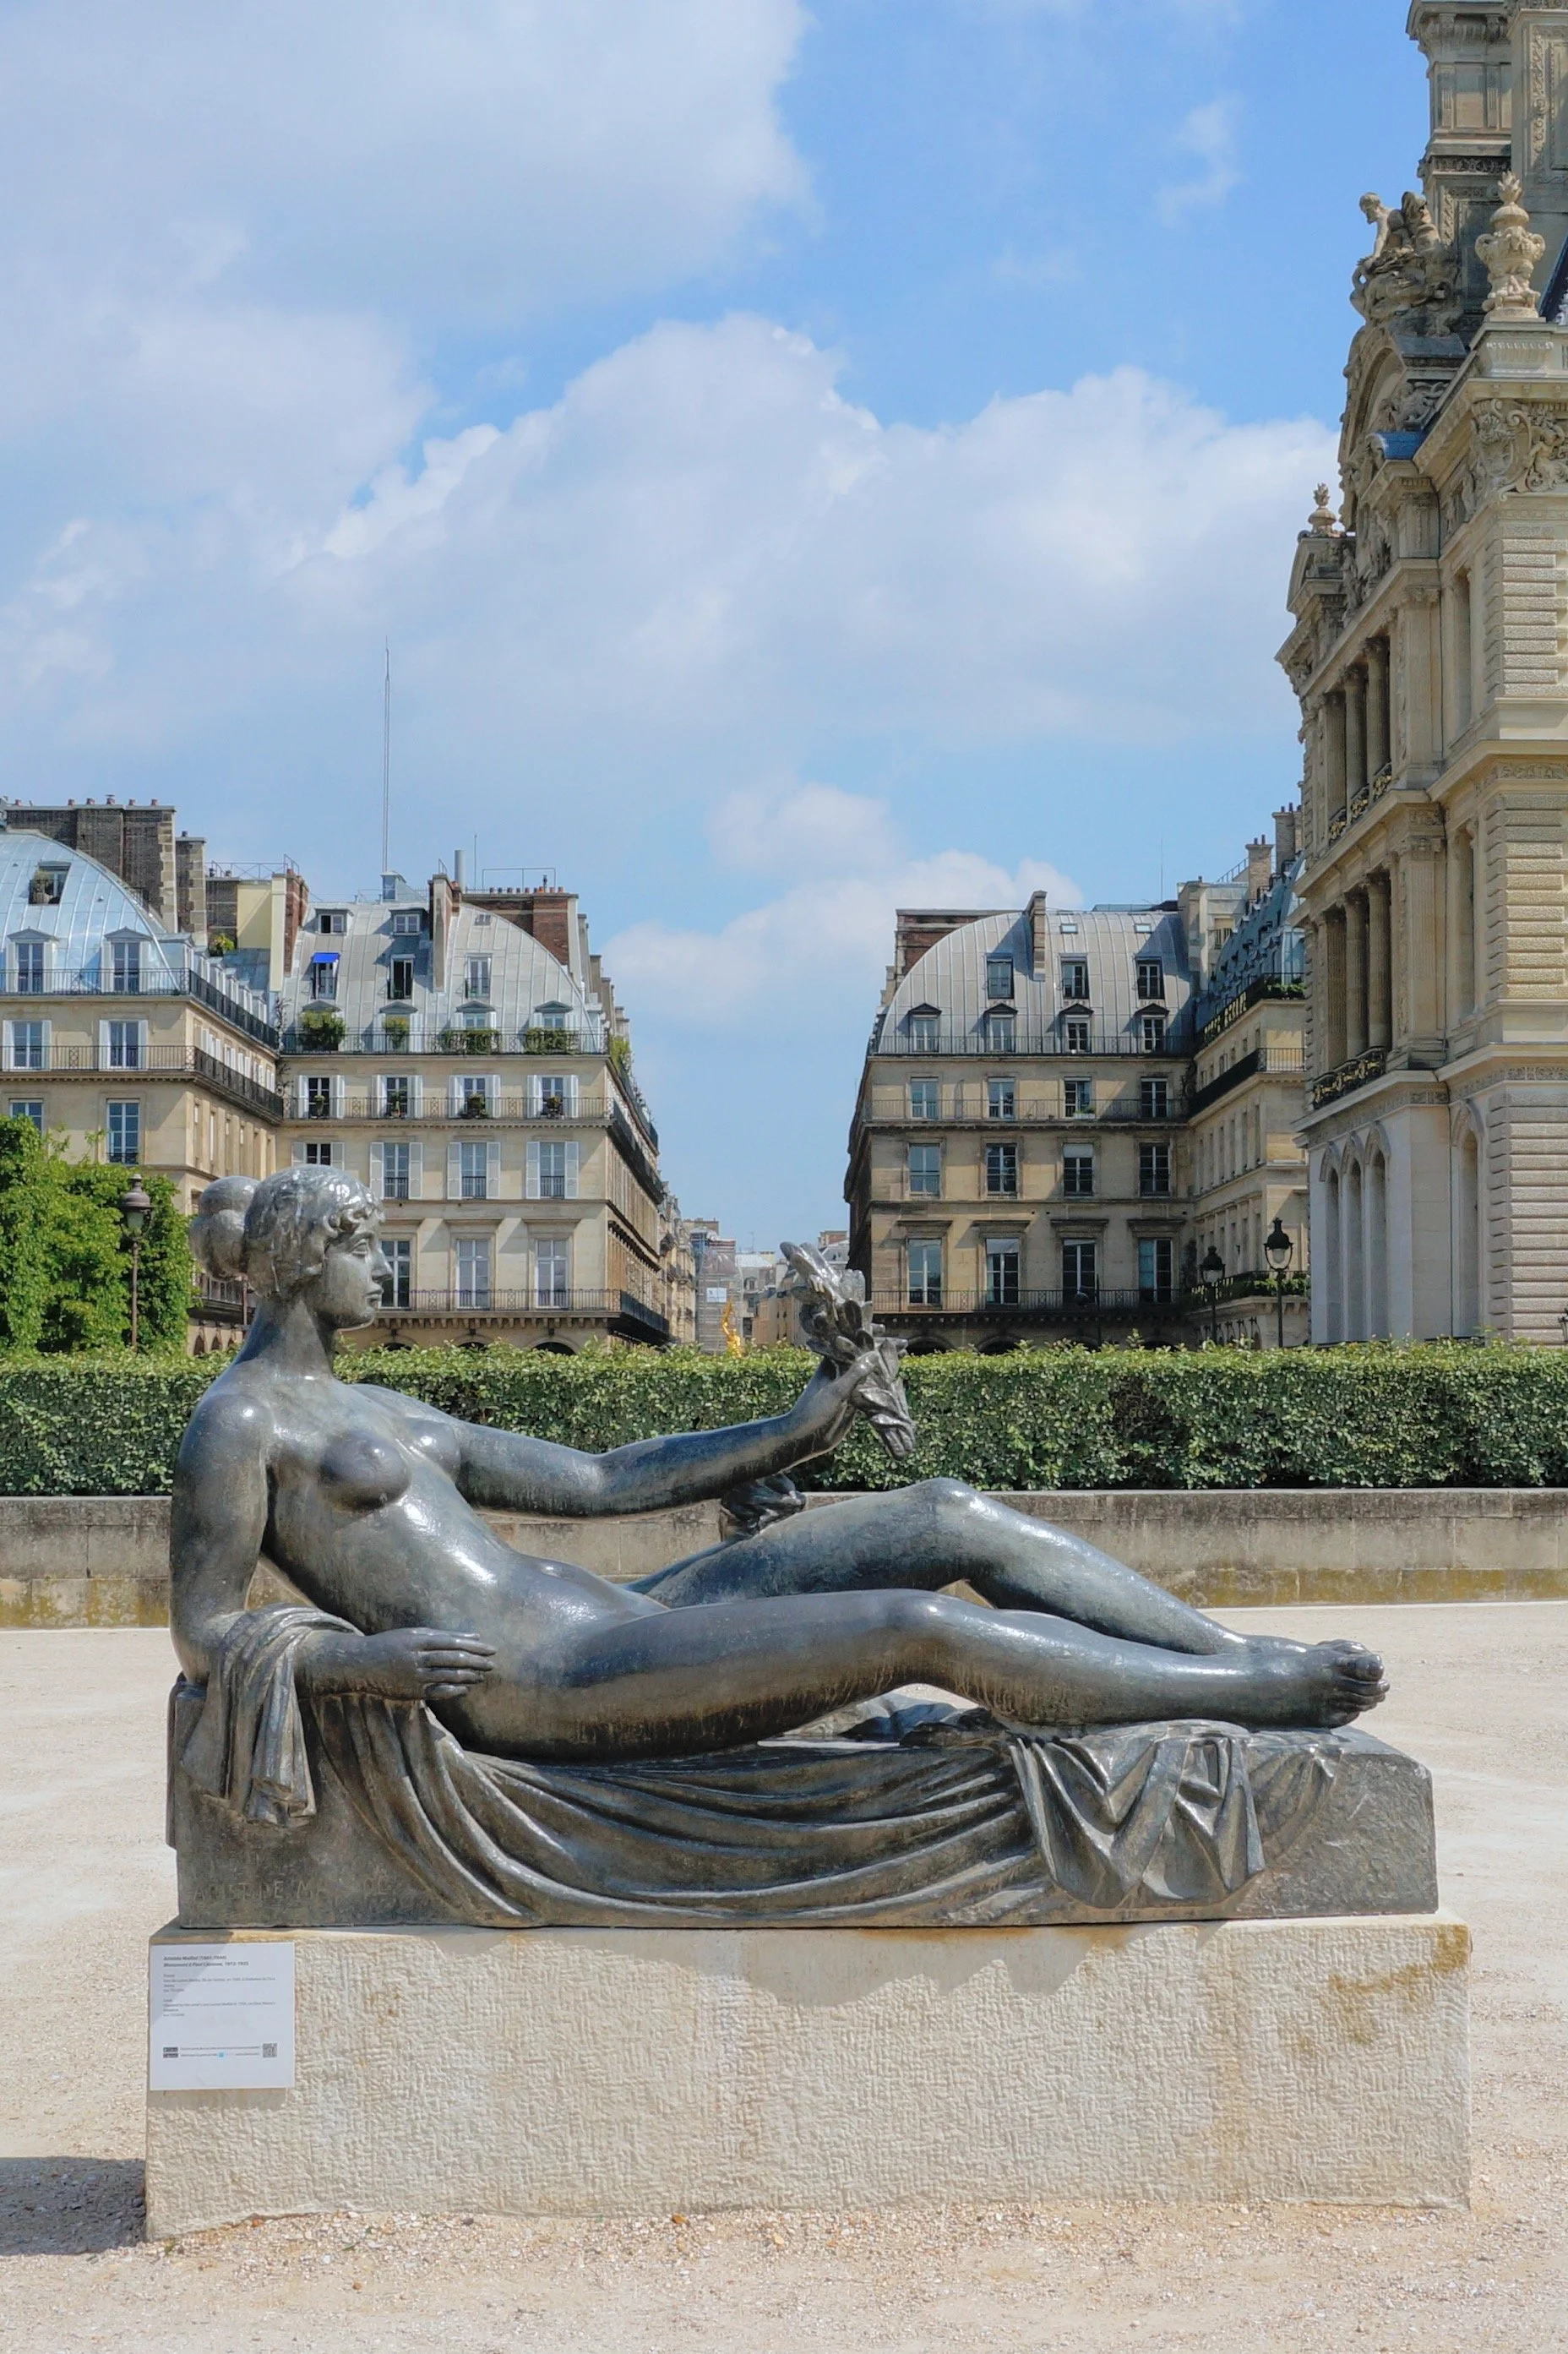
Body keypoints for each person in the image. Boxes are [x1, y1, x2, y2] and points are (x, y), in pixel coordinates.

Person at [172, 1168, 1386, 1765]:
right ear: (296, 1259)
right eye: (359, 1251)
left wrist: (801, 1424)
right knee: (915, 1623)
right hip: (538, 1679)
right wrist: (357, 1661)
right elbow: (206, 1626)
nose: (378, 1274)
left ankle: (1227, 1653)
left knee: (941, 1511)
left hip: (611, 1617)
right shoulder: (238, 1425)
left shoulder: (376, 1401)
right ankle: (1246, 1701)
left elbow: (603, 1477)